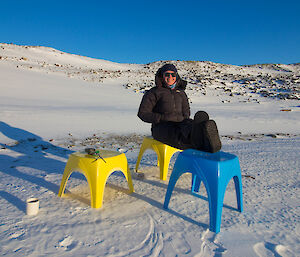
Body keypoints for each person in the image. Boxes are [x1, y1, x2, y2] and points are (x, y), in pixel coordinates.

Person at [137, 63, 222, 153]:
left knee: (191, 128)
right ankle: (202, 144)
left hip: (180, 123)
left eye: (173, 74)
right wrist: (162, 118)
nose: (170, 77)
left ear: (176, 76)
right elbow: (142, 113)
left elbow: (186, 111)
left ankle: (204, 135)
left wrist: (185, 121)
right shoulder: (154, 92)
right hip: (161, 127)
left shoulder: (180, 92)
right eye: (167, 74)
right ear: (161, 76)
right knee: (180, 136)